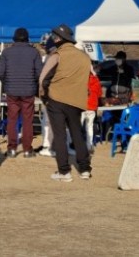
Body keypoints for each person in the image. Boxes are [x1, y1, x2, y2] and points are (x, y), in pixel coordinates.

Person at [39, 24, 92, 182]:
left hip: (57, 99)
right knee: (77, 134)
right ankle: (84, 169)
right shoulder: (84, 57)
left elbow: (43, 79)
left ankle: (64, 172)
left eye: (54, 36)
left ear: (58, 38)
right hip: (76, 100)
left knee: (60, 135)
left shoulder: (57, 55)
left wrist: (44, 98)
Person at [0, 27, 42, 158]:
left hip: (11, 91)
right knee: (28, 120)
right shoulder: (34, 52)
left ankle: (11, 149)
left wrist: (7, 82)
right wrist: (32, 82)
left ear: (14, 39)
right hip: (29, 91)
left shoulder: (6, 52)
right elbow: (39, 73)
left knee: (12, 119)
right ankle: (27, 150)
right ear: (27, 39)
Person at [37, 36, 57, 157]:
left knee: (49, 121)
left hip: (50, 93)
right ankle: (50, 144)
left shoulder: (50, 58)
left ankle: (49, 145)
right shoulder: (61, 56)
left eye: (45, 46)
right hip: (59, 93)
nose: (43, 47)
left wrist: (42, 92)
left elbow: (43, 78)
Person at [84, 64, 103, 153]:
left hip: (81, 106)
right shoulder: (96, 80)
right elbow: (99, 94)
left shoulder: (81, 79)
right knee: (90, 126)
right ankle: (89, 145)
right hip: (92, 107)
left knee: (78, 126)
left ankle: (76, 145)